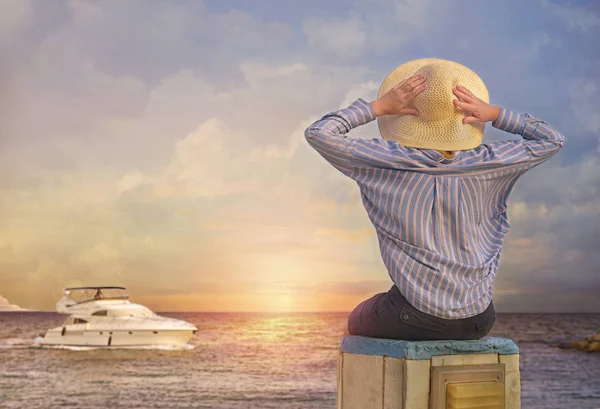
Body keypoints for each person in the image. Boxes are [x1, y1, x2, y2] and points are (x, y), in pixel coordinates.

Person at [304, 58, 565, 341]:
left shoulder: (383, 161)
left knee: (357, 319)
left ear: (403, 118)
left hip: (416, 317)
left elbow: (319, 133)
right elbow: (552, 140)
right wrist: (495, 114)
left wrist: (378, 107)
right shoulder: (491, 163)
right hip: (480, 318)